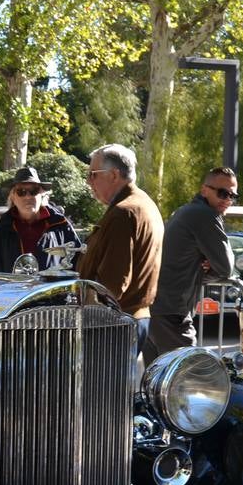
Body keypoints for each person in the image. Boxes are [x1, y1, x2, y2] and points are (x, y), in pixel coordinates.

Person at [76, 143, 163, 354]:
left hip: (113, 323)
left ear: (114, 175)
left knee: (100, 377)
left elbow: (113, 283)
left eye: (93, 174)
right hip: (128, 320)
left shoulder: (124, 213)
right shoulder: (141, 204)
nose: (88, 181)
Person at [149, 166, 238, 360]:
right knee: (191, 372)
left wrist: (206, 268)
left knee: (157, 376)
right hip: (171, 313)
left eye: (233, 196)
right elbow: (227, 267)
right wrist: (207, 268)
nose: (227, 200)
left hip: (157, 309)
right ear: (204, 190)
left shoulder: (186, 210)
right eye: (223, 193)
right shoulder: (204, 214)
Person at [0, 165, 81, 273]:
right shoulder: (0, 232)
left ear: (42, 195)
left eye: (33, 191)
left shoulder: (60, 226)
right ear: (13, 197)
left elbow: (79, 263)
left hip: (51, 284)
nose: (28, 197)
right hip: (12, 284)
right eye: (21, 192)